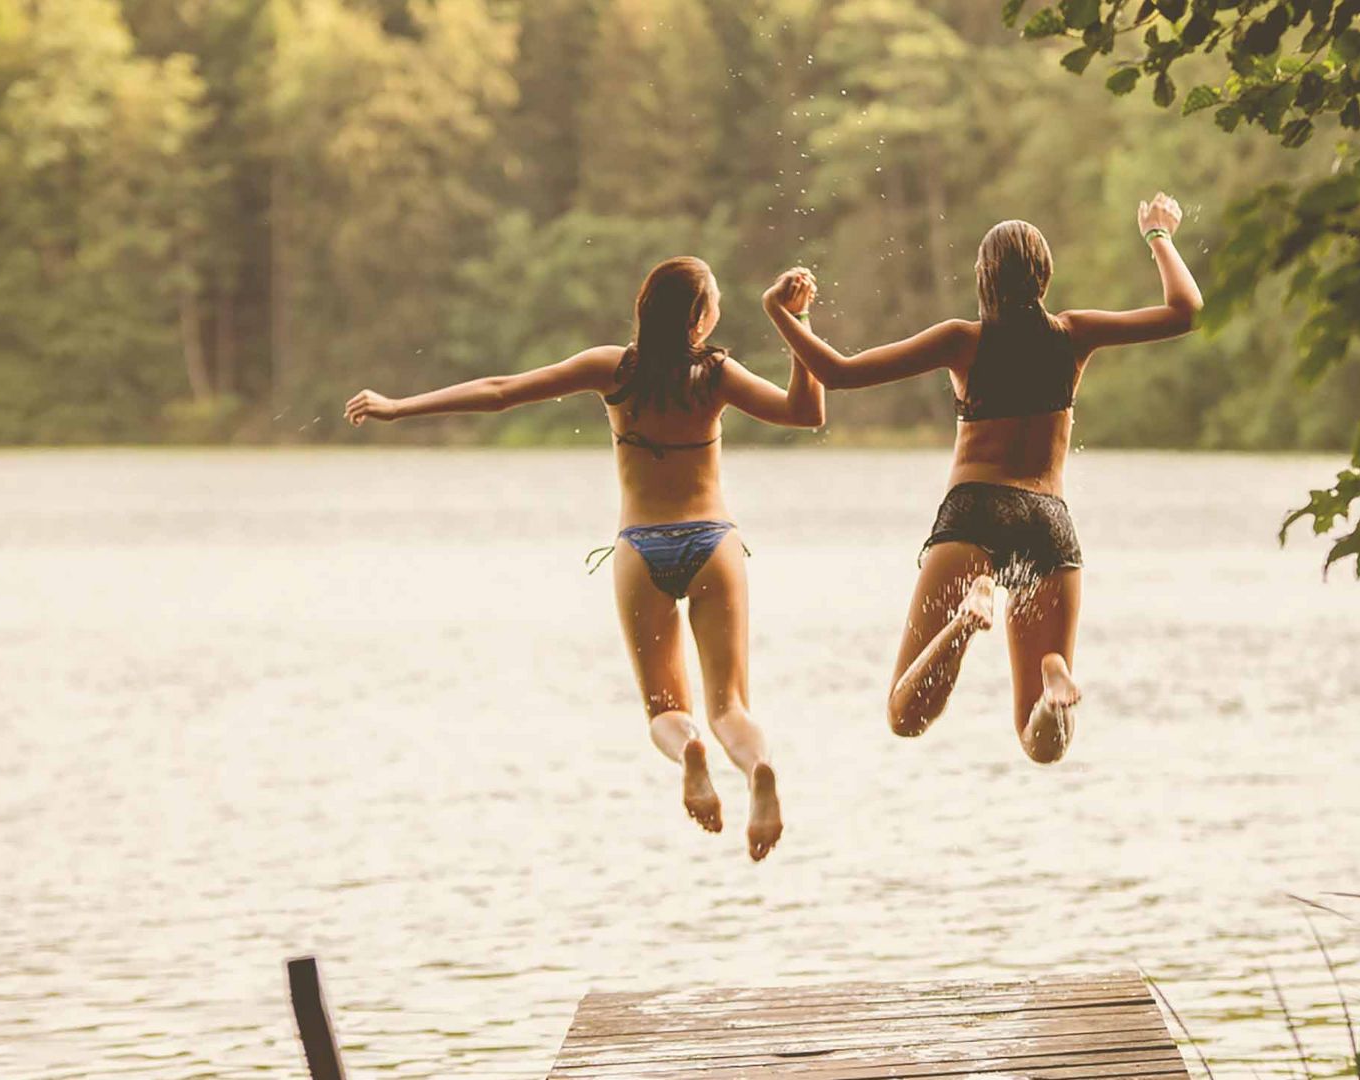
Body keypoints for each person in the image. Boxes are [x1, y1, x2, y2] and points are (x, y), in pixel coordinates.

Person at [346, 257, 824, 861]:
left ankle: (688, 752)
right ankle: (756, 766)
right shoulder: (716, 374)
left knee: (666, 711)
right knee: (729, 707)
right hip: (712, 542)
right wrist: (800, 322)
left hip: (641, 548)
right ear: (700, 321)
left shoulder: (612, 368)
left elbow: (500, 393)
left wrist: (398, 406)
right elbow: (805, 413)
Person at [762, 193, 1202, 764]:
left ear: (984, 276)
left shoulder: (961, 341)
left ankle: (966, 621)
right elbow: (1184, 311)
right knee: (1041, 744)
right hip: (1049, 521)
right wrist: (1158, 236)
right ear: (1044, 276)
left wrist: (783, 314)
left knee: (905, 714)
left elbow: (838, 374)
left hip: (974, 513)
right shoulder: (1074, 335)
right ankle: (1053, 685)